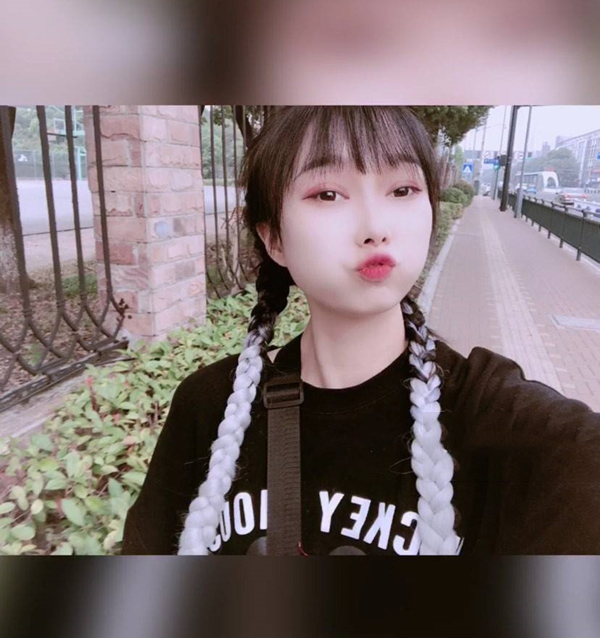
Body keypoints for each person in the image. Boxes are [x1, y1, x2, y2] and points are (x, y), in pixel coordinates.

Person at [122, 107, 600, 556]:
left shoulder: (489, 413)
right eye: (328, 194)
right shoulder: (209, 405)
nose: (375, 227)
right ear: (274, 240)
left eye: (402, 190)